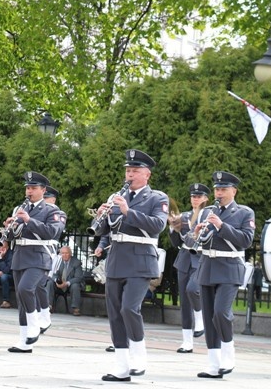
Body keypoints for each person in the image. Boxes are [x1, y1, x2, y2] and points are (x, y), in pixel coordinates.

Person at [92, 149, 168, 382]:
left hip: (140, 260)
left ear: (147, 175)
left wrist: (127, 211)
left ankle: (139, 356)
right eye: (128, 170)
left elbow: (157, 226)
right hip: (117, 260)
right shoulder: (116, 196)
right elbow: (106, 229)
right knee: (115, 313)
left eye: (135, 171)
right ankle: (121, 367)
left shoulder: (157, 198)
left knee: (129, 308)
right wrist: (101, 216)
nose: (130, 175)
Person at [193, 171, 255, 379]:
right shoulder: (207, 211)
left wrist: (221, 225)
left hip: (229, 266)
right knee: (209, 316)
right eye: (217, 189)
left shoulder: (244, 213)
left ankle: (229, 353)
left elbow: (245, 240)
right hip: (207, 266)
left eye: (223, 189)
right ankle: (213, 363)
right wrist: (196, 233)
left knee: (221, 312)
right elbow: (197, 239)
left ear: (233, 191)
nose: (219, 193)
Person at [4, 171, 65, 354]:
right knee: (21, 299)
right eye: (27, 188)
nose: (29, 191)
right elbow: (15, 234)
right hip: (20, 256)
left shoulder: (52, 211)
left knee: (26, 288)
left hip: (39, 256)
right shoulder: (20, 209)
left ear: (43, 190)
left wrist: (28, 221)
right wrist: (10, 228)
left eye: (33, 188)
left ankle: (35, 324)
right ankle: (25, 341)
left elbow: (51, 233)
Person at [168, 183, 209, 353]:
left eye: (199, 196)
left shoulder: (209, 216)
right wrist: (172, 227)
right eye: (193, 196)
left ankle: (200, 317)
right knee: (185, 301)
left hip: (201, 258)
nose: (195, 199)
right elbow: (176, 243)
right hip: (185, 258)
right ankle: (187, 341)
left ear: (206, 199)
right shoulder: (184, 217)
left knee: (193, 289)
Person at [37, 185, 66, 332]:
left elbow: (53, 232)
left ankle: (44, 315)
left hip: (48, 253)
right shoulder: (35, 211)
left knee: (40, 283)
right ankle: (38, 314)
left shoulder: (59, 213)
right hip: (32, 252)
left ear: (53, 199)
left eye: (46, 197)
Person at [50, 246, 84, 316]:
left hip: (70, 284)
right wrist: (56, 281)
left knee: (75, 285)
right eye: (62, 253)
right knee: (49, 283)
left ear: (70, 253)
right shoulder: (58, 261)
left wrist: (67, 283)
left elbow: (78, 278)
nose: (64, 255)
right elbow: (53, 274)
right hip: (59, 284)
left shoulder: (76, 262)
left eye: (66, 253)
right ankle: (48, 306)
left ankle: (76, 308)